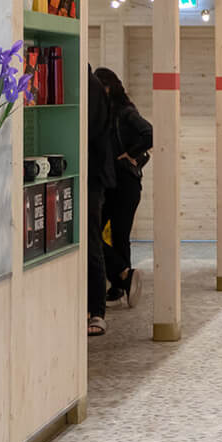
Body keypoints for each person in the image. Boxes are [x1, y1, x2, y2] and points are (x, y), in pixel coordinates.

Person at [93, 67, 153, 306]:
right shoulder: (107, 112)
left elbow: (149, 133)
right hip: (111, 183)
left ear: (109, 87)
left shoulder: (125, 112)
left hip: (125, 184)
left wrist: (130, 154)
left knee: (118, 235)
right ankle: (123, 278)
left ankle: (120, 283)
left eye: (101, 87)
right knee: (104, 234)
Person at [85, 66, 119, 336]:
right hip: (93, 177)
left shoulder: (90, 87)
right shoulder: (92, 85)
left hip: (92, 179)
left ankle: (96, 310)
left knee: (92, 243)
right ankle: (92, 307)